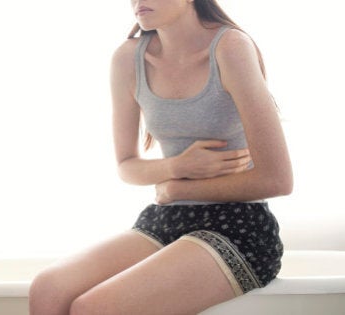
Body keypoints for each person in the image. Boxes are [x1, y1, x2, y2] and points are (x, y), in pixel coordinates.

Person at [28, 0, 293, 314]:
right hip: (166, 220)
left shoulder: (230, 47)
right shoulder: (129, 58)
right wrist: (177, 167)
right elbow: (127, 166)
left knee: (93, 308)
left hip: (239, 227)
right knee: (47, 288)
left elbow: (277, 179)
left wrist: (178, 188)